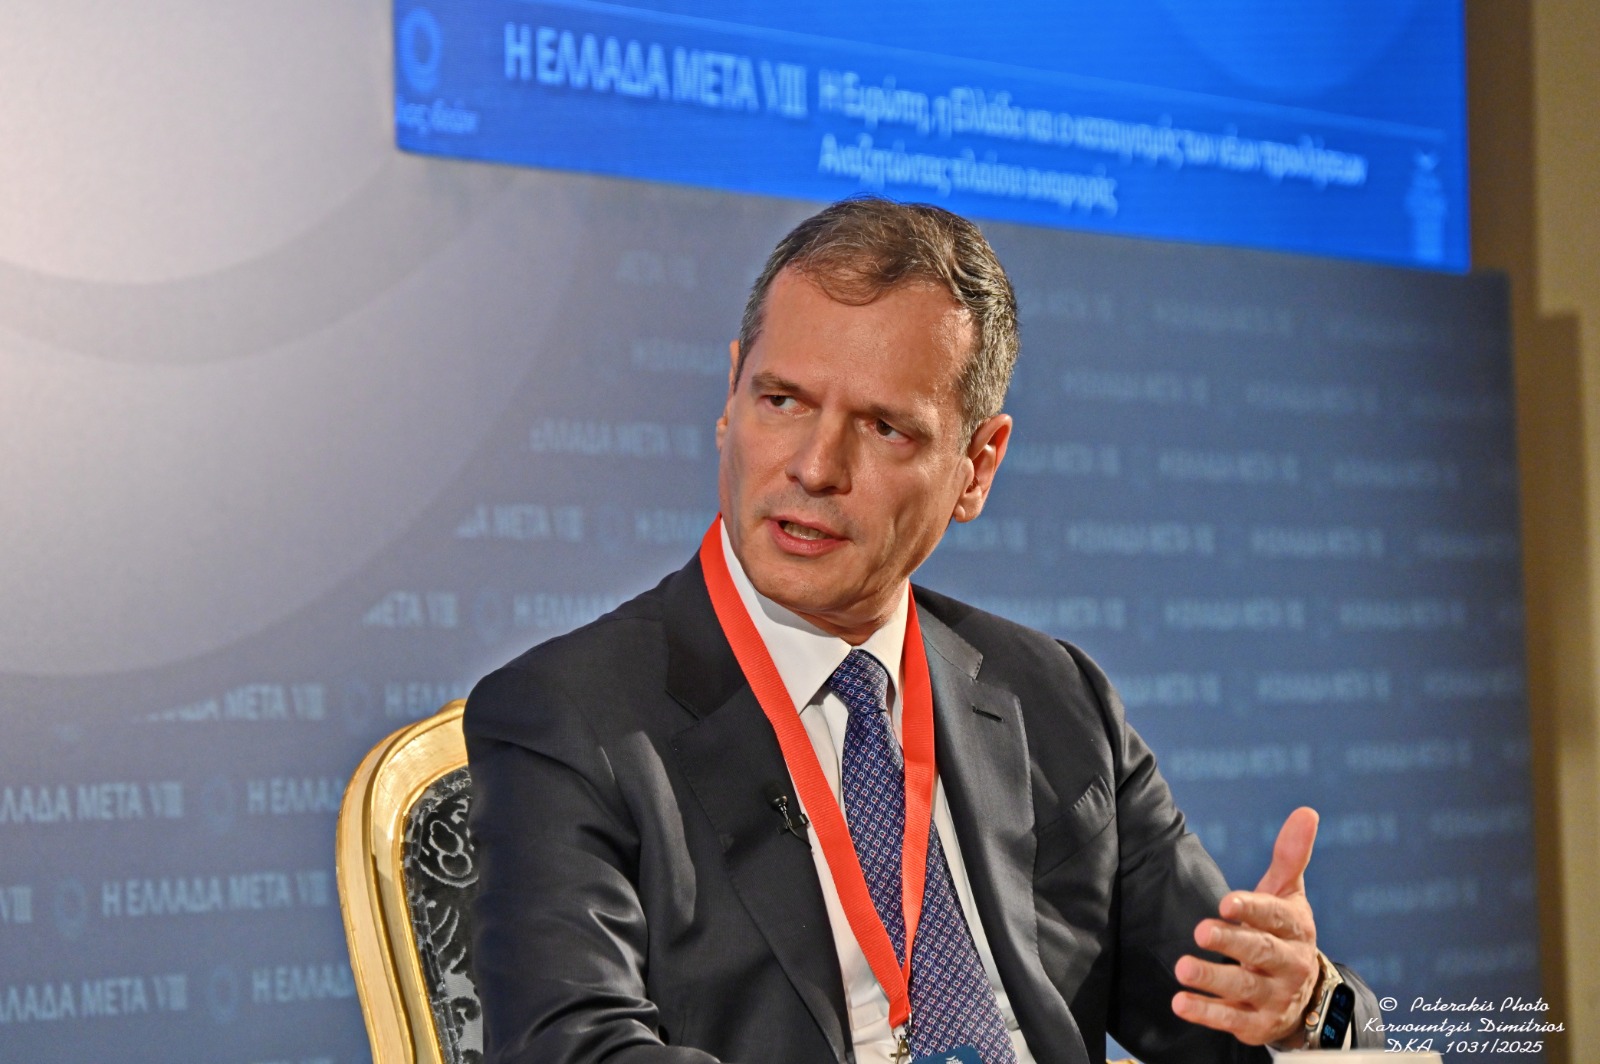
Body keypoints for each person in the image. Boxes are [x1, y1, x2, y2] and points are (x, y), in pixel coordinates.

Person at [464, 197, 1383, 1064]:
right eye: (782, 400)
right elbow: (575, 1049)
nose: (815, 466)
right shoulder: (569, 717)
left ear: (977, 466)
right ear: (730, 397)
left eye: (884, 428)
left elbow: (1227, 1019)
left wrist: (1309, 1007)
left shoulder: (1055, 699)